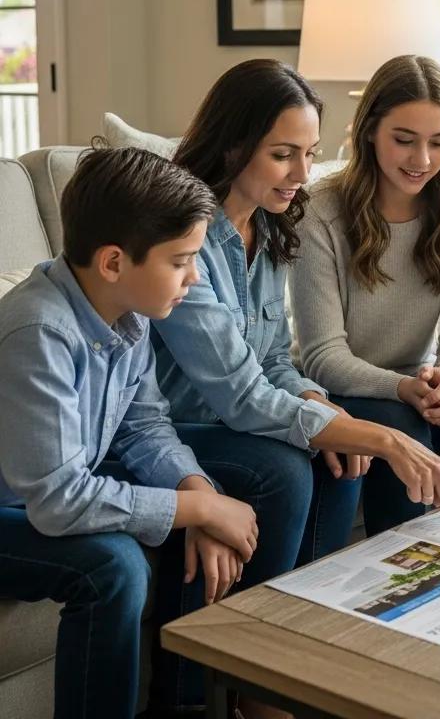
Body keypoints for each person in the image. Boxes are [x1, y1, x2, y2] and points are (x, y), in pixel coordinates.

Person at [152, 59, 440, 566]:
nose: (303, 174)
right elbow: (244, 392)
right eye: (283, 155)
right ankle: (291, 616)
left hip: (240, 414)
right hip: (183, 424)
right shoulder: (183, 242)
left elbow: (273, 361)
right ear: (233, 145)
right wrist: (376, 435)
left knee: (362, 447)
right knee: (296, 463)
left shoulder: (268, 228)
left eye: (308, 154)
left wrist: (319, 403)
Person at [0, 145, 262, 719]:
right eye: (181, 260)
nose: (195, 277)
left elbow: (143, 426)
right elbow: (60, 501)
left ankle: (190, 703)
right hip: (18, 505)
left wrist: (195, 488)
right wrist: (198, 512)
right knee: (113, 565)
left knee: (239, 478)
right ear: (115, 261)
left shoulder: (130, 313)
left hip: (48, 490)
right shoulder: (39, 331)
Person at [291, 54, 440, 535]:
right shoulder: (318, 212)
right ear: (370, 131)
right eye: (404, 140)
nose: (423, 160)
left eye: (438, 142)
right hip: (343, 386)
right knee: (401, 424)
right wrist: (403, 388)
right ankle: (395, 569)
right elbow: (322, 355)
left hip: (419, 379)